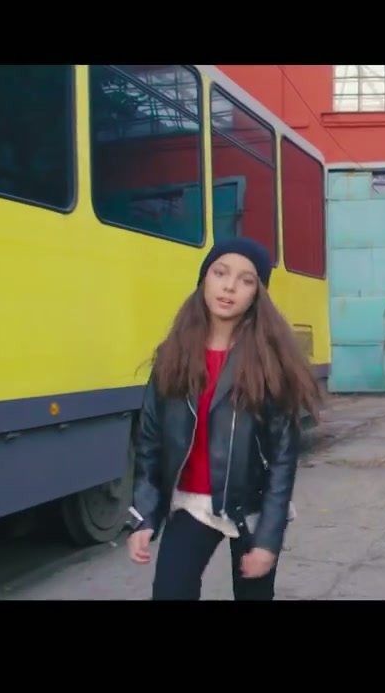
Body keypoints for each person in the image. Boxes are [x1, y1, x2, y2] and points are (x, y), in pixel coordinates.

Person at [126, 237, 322, 600]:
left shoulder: (268, 364)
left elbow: (283, 461)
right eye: (220, 273)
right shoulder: (172, 356)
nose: (229, 286)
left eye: (246, 280)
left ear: (257, 294)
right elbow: (150, 443)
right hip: (192, 506)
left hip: (252, 507)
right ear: (204, 279)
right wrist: (145, 516)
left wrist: (267, 540)